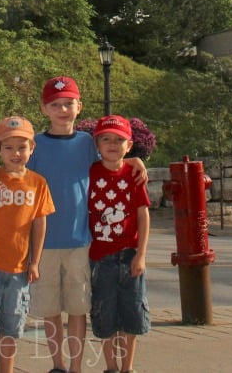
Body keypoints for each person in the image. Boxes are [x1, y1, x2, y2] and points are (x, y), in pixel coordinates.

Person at [0, 76, 147, 373]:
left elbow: (113, 156)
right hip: (43, 245)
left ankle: (76, 367)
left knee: (79, 309)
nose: (63, 110)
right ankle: (57, 365)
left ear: (79, 106)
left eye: (68, 104)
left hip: (80, 242)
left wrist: (136, 161)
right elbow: (12, 163)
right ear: (45, 109)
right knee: (51, 310)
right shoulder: (36, 145)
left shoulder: (86, 144)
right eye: (56, 105)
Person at [0, 115, 54, 373]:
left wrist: (35, 262)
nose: (16, 153)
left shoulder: (38, 184)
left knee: (10, 329)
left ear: (32, 148)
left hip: (20, 273)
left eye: (22, 147)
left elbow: (40, 223)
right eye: (9, 147)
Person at [88, 115, 151, 373]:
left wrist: (141, 255)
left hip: (129, 255)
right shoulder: (90, 173)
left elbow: (143, 215)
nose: (112, 145)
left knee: (131, 314)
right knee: (105, 315)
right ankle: (111, 367)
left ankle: (127, 368)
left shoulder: (133, 175)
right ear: (97, 144)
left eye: (119, 140)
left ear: (129, 145)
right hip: (100, 257)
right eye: (106, 139)